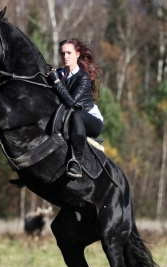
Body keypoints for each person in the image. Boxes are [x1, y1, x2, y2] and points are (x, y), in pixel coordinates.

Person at [47, 38, 103, 179]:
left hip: (91, 121)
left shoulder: (83, 78)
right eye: (62, 53)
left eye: (68, 53)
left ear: (77, 54)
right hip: (68, 117)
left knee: (76, 115)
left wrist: (56, 82)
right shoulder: (58, 73)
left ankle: (76, 162)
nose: (65, 57)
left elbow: (71, 102)